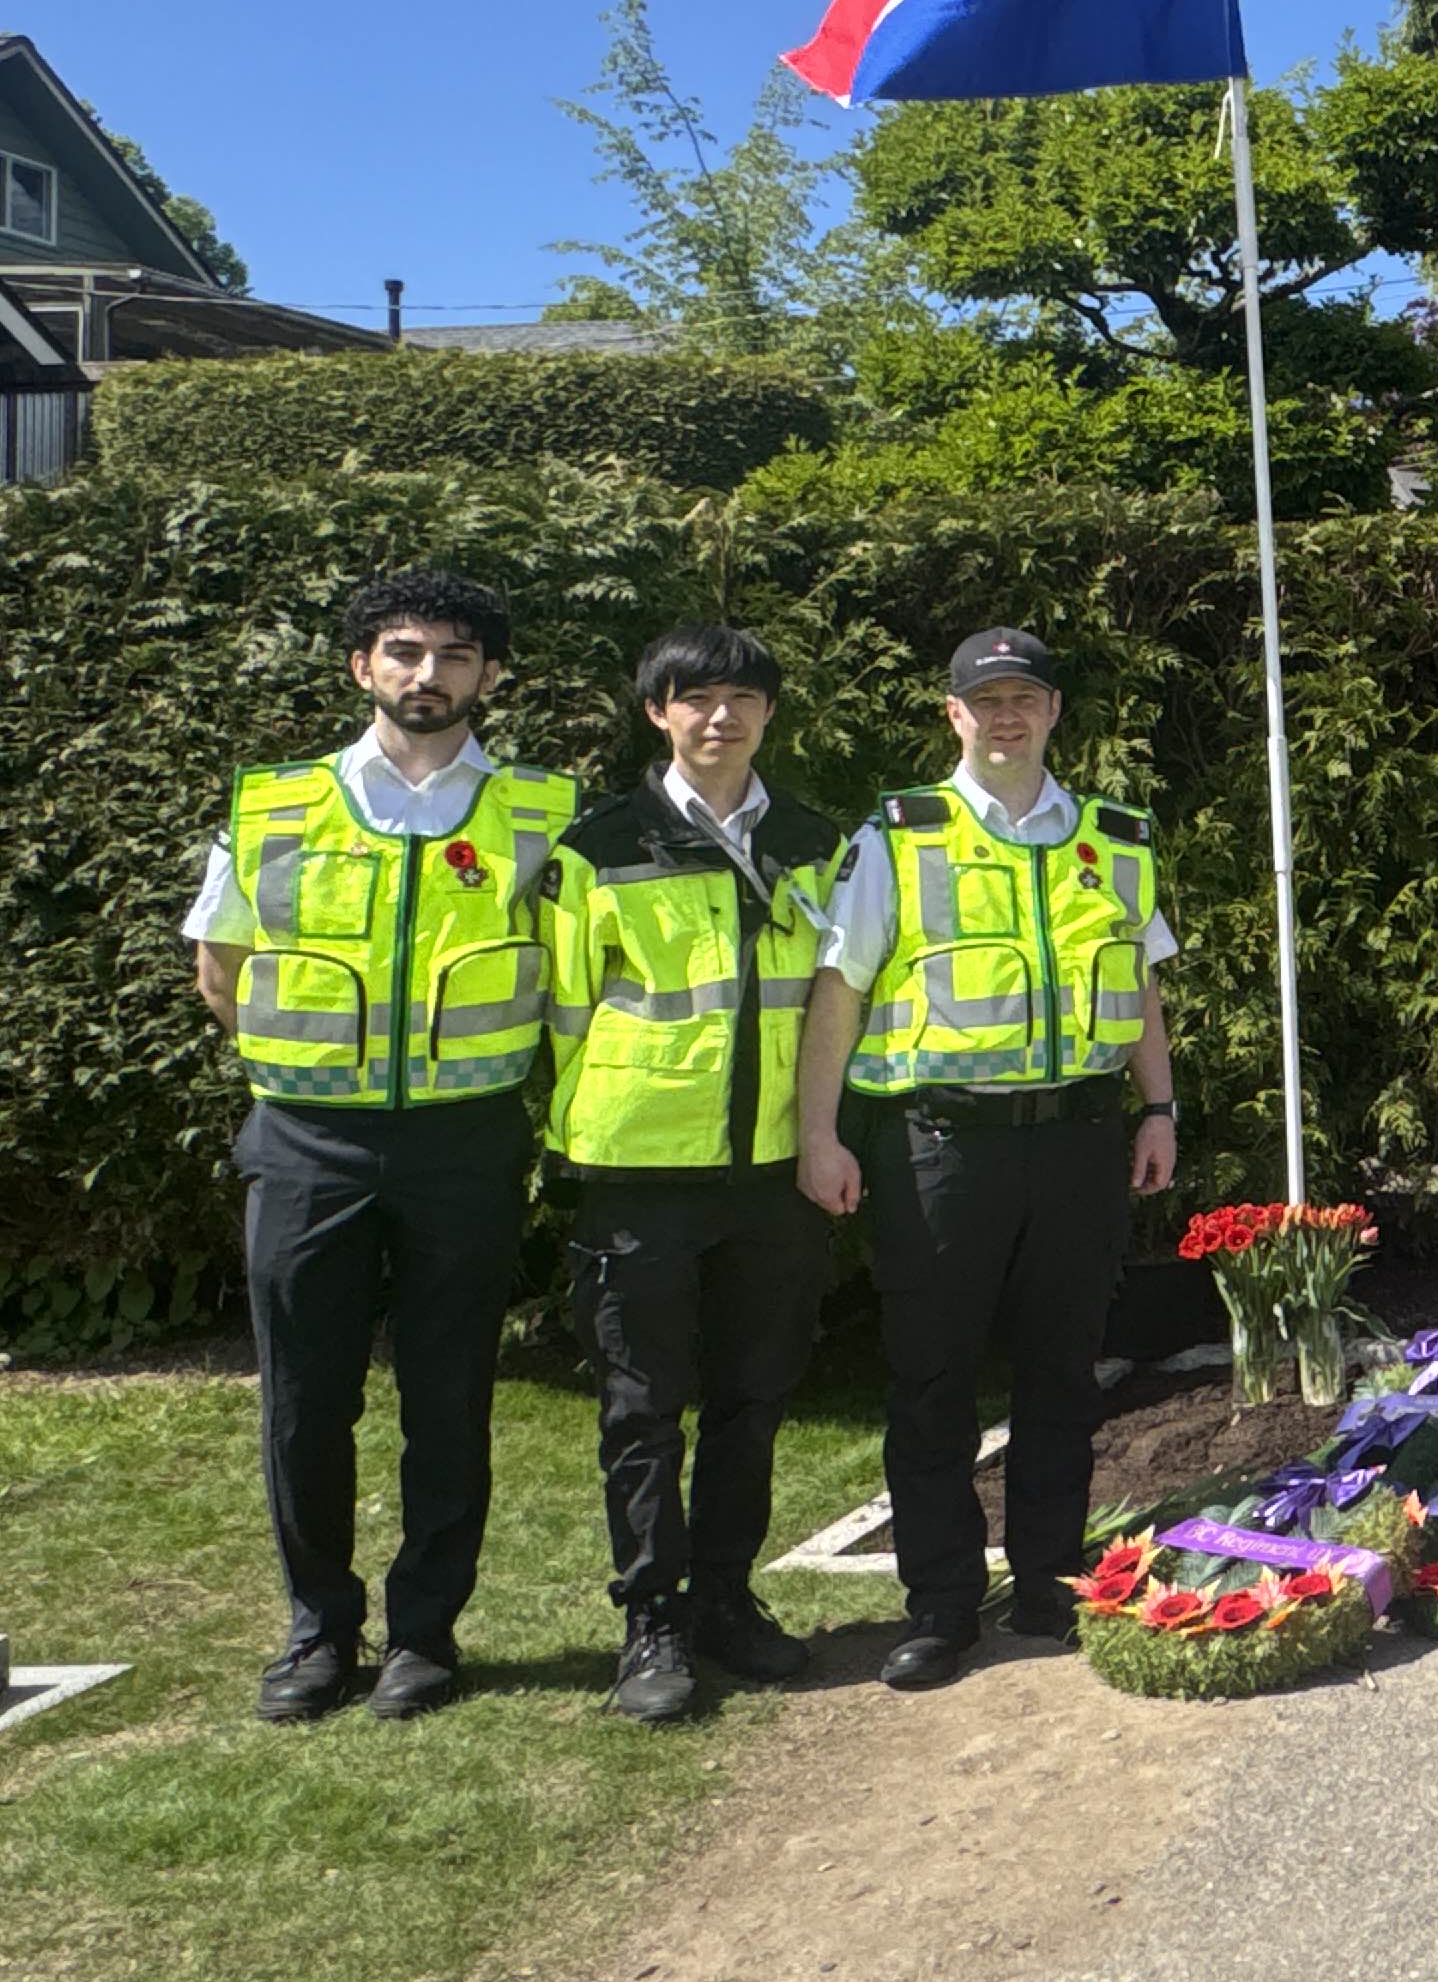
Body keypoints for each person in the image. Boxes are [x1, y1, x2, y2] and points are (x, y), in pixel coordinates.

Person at [184, 569, 579, 1723]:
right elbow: (222, 969)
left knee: (449, 1396)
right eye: (404, 651)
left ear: (489, 678)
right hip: (307, 1142)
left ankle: (425, 1637)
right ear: (363, 667)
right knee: (305, 1402)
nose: (428, 674)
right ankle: (317, 1632)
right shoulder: (274, 806)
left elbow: (570, 972)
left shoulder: (540, 814)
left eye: (456, 655)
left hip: (466, 1142)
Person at [796, 628, 1179, 1688]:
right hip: (941, 1146)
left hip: (1080, 1140)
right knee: (933, 1381)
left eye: (1026, 698)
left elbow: (1140, 987)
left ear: (1055, 712)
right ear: (953, 715)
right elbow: (842, 990)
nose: (1007, 717)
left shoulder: (1116, 836)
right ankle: (942, 1603)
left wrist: (1162, 1107)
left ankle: (1054, 1580)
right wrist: (817, 1133)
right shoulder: (901, 838)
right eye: (986, 701)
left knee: (1063, 1372)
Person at [542, 624, 850, 1725]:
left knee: (754, 1398)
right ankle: (652, 1622)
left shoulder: (817, 845)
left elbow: (832, 1002)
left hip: (772, 1171)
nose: (721, 716)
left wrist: (820, 1135)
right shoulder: (598, 846)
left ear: (770, 714)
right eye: (696, 698)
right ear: (657, 713)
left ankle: (724, 1598)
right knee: (641, 1411)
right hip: (636, 1173)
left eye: (743, 698)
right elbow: (563, 1013)